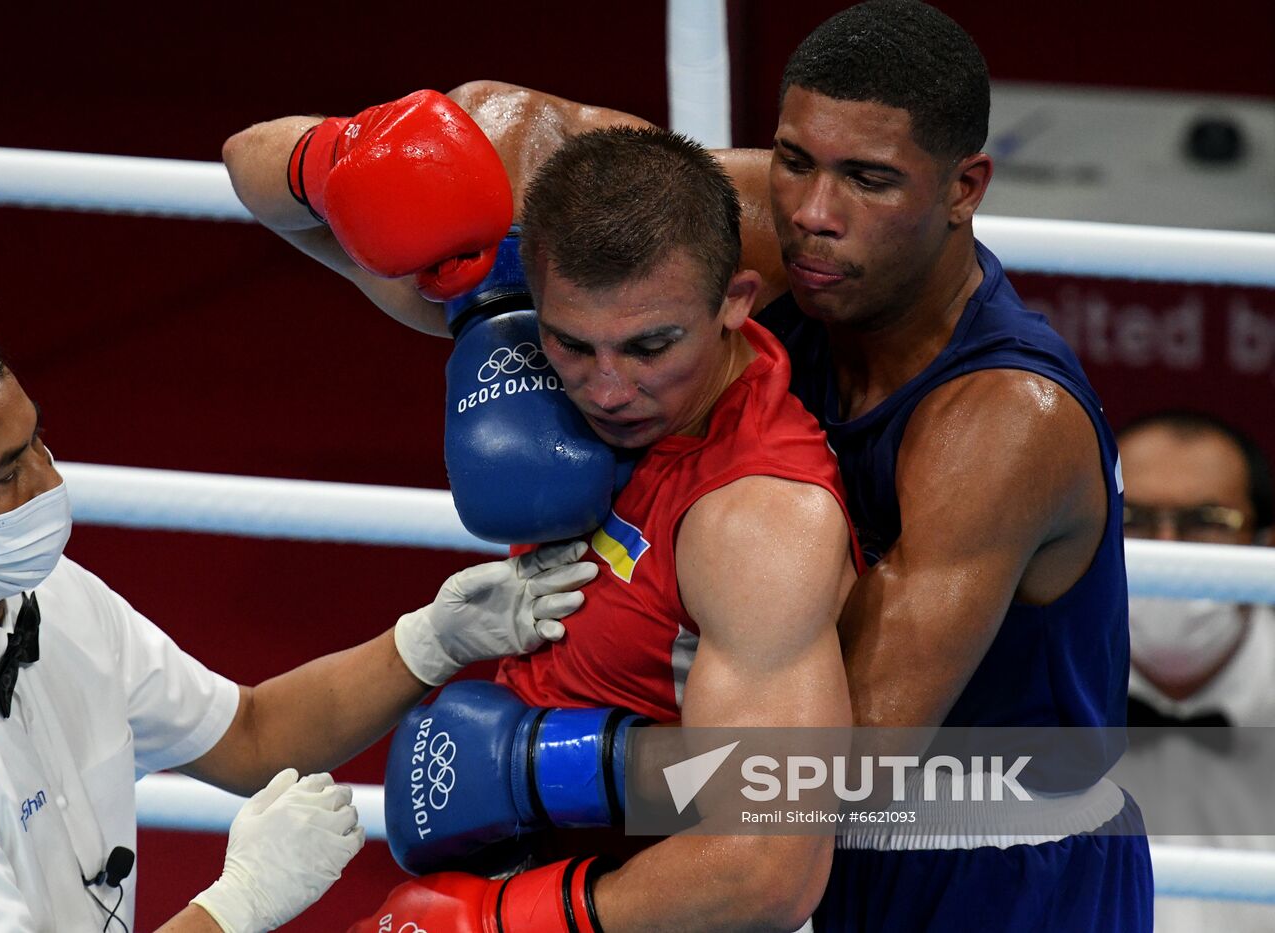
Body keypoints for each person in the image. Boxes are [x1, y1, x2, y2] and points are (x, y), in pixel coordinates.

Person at [223, 3, 1151, 926]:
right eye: (794, 160)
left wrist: (545, 761)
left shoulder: (999, 422)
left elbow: (827, 775)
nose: (816, 213)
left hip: (989, 860)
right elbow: (493, 126)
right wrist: (360, 163)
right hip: (769, 853)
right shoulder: (739, 242)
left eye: (870, 178)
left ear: (964, 186)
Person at [231, 117, 863, 929]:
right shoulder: (520, 337)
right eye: (573, 345)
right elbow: (249, 167)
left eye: (650, 346)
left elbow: (767, 866)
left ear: (735, 302)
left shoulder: (757, 520)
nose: (606, 388)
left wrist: (505, 919)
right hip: (522, 859)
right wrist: (349, 157)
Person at [0, 309, 598, 932]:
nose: (49, 482)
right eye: (5, 475)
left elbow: (251, 734)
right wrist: (235, 905)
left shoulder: (45, 596)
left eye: (37, 439)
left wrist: (431, 641)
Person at [1118, 409, 1275, 933]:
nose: (1166, 547)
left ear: (1264, 543)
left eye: (1208, 522)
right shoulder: (1017, 688)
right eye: (1133, 518)